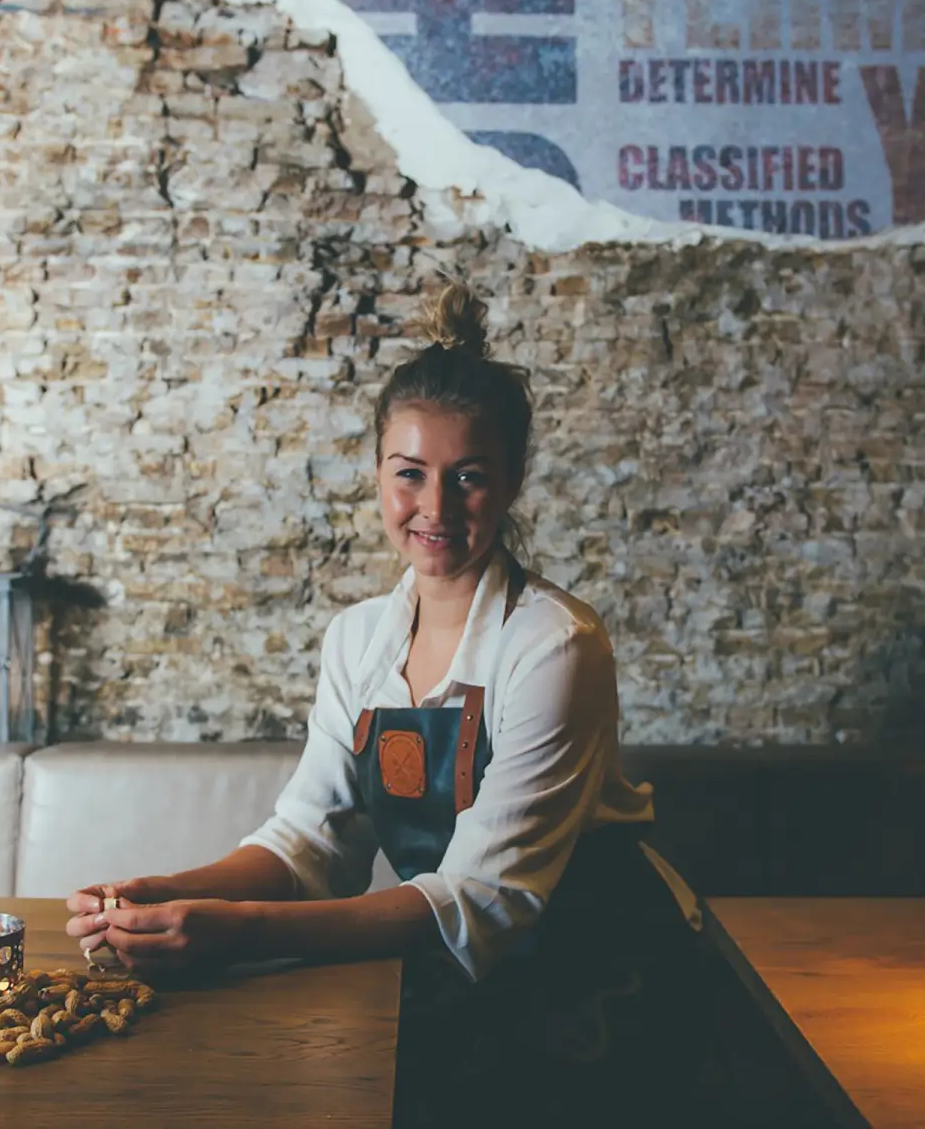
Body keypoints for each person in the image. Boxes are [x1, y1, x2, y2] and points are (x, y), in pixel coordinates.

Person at [68, 283, 716, 1125]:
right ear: (377, 472)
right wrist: (162, 894)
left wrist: (233, 932)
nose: (435, 509)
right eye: (410, 474)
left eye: (470, 478)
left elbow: (488, 897)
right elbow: (311, 843)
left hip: (595, 978)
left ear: (513, 480)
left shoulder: (554, 648)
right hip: (441, 962)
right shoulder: (358, 641)